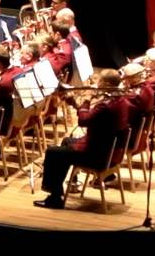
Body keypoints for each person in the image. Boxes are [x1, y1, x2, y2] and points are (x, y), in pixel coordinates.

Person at [33, 68, 129, 209]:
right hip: (106, 147)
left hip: (97, 154)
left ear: (107, 84)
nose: (96, 84)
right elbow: (91, 118)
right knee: (66, 141)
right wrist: (73, 102)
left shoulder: (106, 105)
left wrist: (87, 100)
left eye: (99, 81)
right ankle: (72, 183)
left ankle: (54, 198)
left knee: (53, 153)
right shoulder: (120, 99)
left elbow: (83, 120)